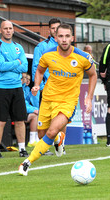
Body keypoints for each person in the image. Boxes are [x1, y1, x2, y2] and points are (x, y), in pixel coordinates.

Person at [18, 24, 97, 176]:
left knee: (52, 130)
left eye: (67, 36)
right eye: (61, 36)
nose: (64, 39)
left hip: (68, 101)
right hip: (48, 99)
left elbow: (93, 75)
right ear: (56, 38)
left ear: (72, 38)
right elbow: (40, 71)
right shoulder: (48, 54)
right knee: (43, 135)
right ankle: (58, 140)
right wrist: (36, 85)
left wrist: (89, 97)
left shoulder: (83, 57)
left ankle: (27, 162)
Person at [0, 20, 29, 158]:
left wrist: (13, 64)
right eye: (5, 28)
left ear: (13, 30)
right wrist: (17, 62)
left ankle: (22, 149)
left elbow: (25, 67)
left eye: (10, 28)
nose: (8, 30)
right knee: (0, 120)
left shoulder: (19, 47)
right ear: (0, 30)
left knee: (20, 120)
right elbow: (1, 66)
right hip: (0, 87)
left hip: (17, 87)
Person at [32, 18, 62, 156]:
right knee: (44, 122)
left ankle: (61, 144)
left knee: (62, 117)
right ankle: (45, 147)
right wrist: (40, 86)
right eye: (53, 28)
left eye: (58, 28)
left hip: (62, 89)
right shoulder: (42, 47)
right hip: (47, 89)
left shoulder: (66, 47)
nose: (55, 31)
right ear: (49, 30)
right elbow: (36, 69)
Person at [21, 73, 39, 147]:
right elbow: (22, 104)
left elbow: (34, 103)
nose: (27, 81)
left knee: (38, 113)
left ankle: (36, 138)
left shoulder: (27, 89)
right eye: (25, 78)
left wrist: (34, 94)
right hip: (20, 113)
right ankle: (32, 140)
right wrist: (33, 109)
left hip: (26, 111)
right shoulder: (20, 88)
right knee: (34, 115)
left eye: (29, 79)